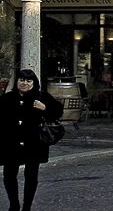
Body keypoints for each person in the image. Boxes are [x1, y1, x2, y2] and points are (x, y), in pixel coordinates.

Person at [0, 69, 63, 211]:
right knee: (9, 175)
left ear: (34, 83)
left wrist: (45, 108)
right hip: (11, 143)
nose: (24, 83)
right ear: (17, 81)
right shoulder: (7, 98)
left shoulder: (42, 97)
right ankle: (14, 205)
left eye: (28, 80)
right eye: (21, 80)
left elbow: (58, 112)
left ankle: (27, 207)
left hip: (34, 143)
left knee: (31, 176)